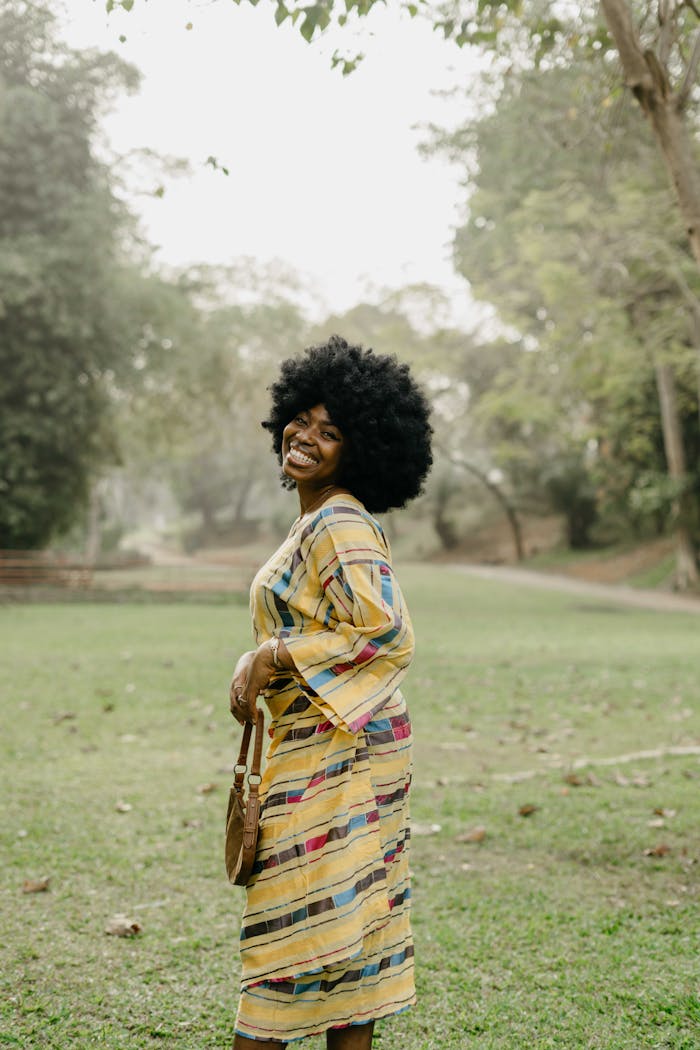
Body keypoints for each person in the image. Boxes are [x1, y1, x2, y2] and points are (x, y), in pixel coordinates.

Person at [229, 335, 433, 1049]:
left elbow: (387, 632)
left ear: (363, 449)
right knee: (348, 935)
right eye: (303, 420)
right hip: (331, 742)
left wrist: (272, 655)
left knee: (290, 934)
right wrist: (264, 665)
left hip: (342, 753)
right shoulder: (317, 519)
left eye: (332, 431)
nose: (307, 437)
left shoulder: (340, 521)